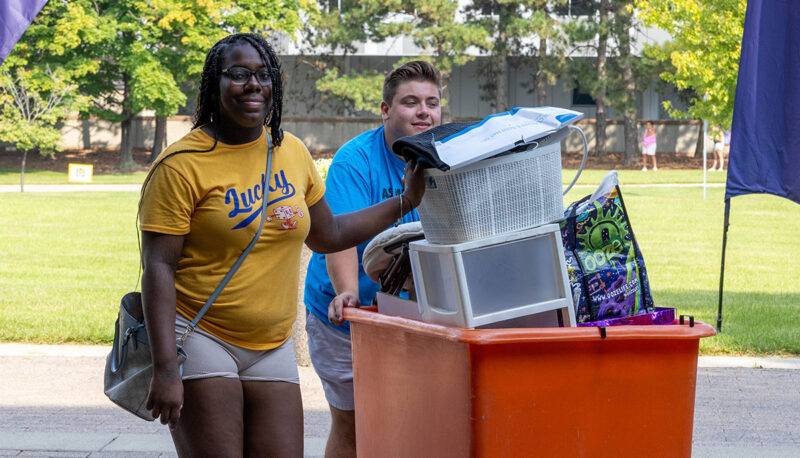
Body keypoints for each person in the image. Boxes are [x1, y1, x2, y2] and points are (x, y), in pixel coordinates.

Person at [138, 33, 425, 457]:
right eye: (238, 74)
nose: (253, 84)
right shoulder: (182, 165)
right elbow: (158, 268)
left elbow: (328, 235)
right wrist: (165, 368)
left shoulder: (289, 151)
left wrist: (405, 201)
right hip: (201, 335)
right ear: (213, 85)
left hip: (271, 346)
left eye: (263, 74)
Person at [303, 60, 442, 457]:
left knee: (412, 423)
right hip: (346, 319)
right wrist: (347, 292)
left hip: (413, 316)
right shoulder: (356, 159)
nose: (423, 112)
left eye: (432, 102)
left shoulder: (450, 156)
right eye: (410, 102)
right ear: (385, 110)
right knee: (352, 426)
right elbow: (339, 236)